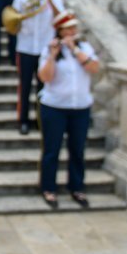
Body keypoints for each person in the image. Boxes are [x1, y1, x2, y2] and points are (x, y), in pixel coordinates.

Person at [37, 11, 100, 210]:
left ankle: (77, 187)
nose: (73, 31)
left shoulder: (85, 48)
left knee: (78, 149)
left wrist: (75, 50)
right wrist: (53, 56)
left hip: (80, 107)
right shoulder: (50, 49)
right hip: (54, 107)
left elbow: (94, 68)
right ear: (60, 30)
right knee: (51, 150)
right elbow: (44, 77)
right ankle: (49, 188)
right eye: (68, 28)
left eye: (74, 28)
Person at [12, 0, 65, 135]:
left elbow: (62, 20)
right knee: (25, 85)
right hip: (26, 47)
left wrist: (50, 2)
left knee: (44, 87)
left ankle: (41, 120)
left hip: (45, 49)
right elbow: (13, 21)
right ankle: (23, 121)